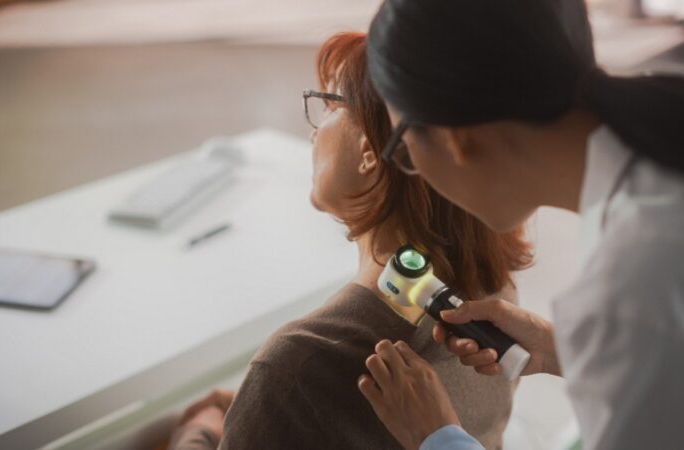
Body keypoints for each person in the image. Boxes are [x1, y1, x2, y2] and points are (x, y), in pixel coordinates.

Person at [357, 0, 684, 449]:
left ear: (454, 138)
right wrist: (561, 350)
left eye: (401, 147)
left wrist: (439, 439)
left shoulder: (635, 282)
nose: (410, 170)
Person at [167, 32, 534, 450]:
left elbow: (317, 387)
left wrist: (200, 431)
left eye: (328, 106)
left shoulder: (300, 362)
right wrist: (265, 410)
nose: (313, 132)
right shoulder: (494, 302)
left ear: (370, 150)